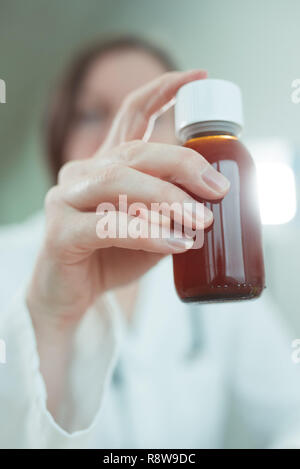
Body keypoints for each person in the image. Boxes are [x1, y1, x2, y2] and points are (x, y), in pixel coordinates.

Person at [1, 36, 300, 449]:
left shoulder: (213, 259)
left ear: (182, 144)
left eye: (156, 118)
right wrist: (53, 315)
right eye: (91, 115)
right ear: (58, 140)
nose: (127, 141)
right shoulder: (8, 260)